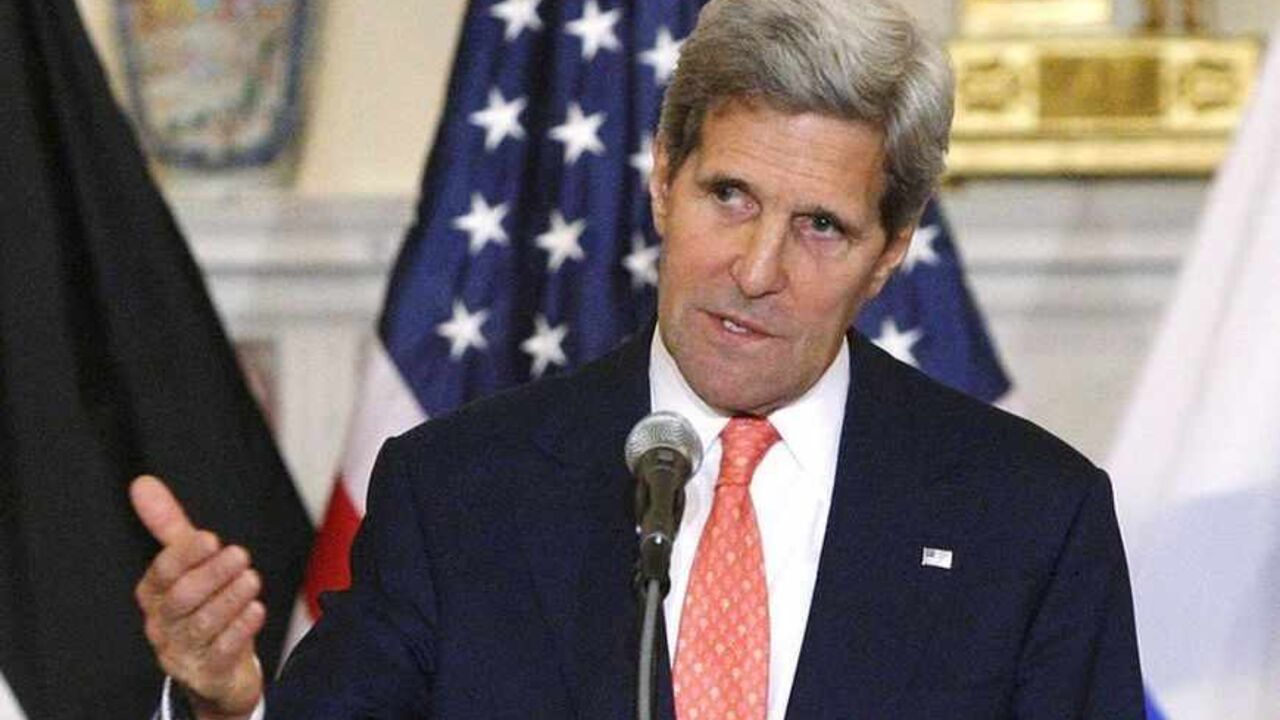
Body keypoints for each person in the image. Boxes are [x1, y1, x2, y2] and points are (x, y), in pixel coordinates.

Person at [133, 0, 1146, 717]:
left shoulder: (1028, 519)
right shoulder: (458, 494)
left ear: (888, 253)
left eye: (821, 228)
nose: (755, 270)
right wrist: (225, 708)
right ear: (663, 181)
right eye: (729, 197)